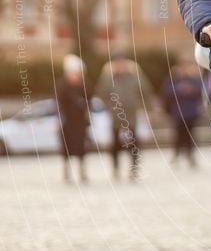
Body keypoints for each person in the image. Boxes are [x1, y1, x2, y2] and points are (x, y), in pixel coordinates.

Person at [94, 52, 154, 180]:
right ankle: (116, 168)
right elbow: (101, 95)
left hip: (131, 117)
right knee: (115, 144)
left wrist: (149, 110)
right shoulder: (108, 79)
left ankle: (134, 168)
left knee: (134, 144)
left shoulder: (135, 77)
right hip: (115, 117)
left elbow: (146, 93)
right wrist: (109, 107)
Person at [161, 57, 204, 166]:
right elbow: (167, 92)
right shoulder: (173, 79)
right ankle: (176, 154)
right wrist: (179, 89)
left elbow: (201, 91)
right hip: (177, 113)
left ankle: (190, 156)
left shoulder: (194, 79)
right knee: (178, 135)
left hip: (191, 112)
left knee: (190, 135)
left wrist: (190, 89)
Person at [56, 54, 91, 183]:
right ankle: (67, 172)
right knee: (66, 149)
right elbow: (59, 104)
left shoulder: (84, 85)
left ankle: (82, 172)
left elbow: (89, 101)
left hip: (80, 123)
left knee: (82, 148)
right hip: (67, 123)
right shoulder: (62, 86)